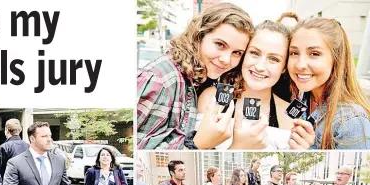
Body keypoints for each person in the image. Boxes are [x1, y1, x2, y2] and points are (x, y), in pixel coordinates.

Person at [137, 3, 254, 150]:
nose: (226, 59)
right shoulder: (162, 79)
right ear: (199, 36)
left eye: (237, 53)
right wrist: (198, 144)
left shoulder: (205, 79)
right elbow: (137, 151)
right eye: (220, 44)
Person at [196, 21, 315, 150]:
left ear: (284, 68)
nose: (259, 67)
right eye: (254, 53)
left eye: (273, 59)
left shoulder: (291, 115)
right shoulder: (211, 98)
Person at [289, 18, 370, 149]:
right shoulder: (303, 96)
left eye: (314, 54)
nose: (300, 64)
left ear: (336, 60)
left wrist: (306, 152)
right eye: (294, 53)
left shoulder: (352, 121)